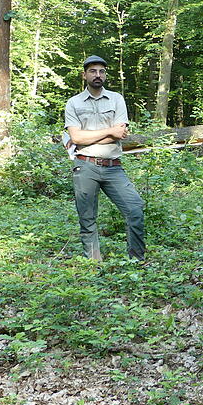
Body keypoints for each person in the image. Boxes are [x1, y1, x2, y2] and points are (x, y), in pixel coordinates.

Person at [64, 55, 145, 261]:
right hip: (85, 166)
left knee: (135, 208)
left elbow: (119, 134)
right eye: (93, 71)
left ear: (105, 75)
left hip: (113, 167)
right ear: (84, 75)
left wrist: (86, 138)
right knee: (87, 218)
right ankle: (94, 264)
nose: (97, 75)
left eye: (101, 71)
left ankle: (137, 260)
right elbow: (75, 137)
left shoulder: (117, 99)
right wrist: (109, 132)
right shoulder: (73, 103)